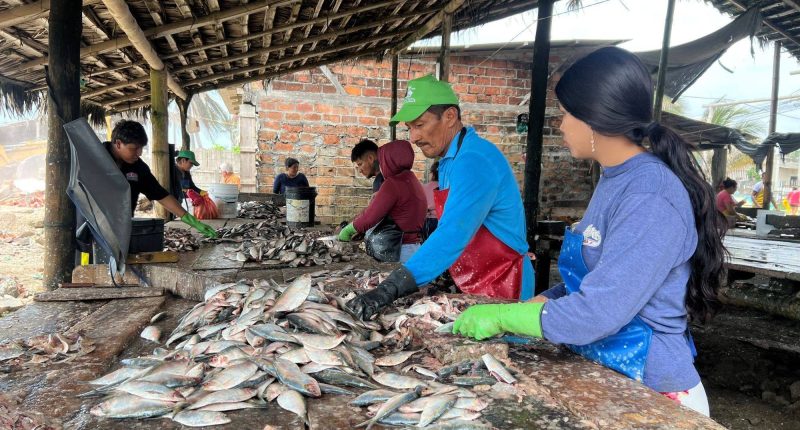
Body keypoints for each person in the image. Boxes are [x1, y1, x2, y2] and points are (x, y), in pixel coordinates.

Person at [450, 47, 725, 417]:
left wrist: (502, 317)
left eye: (565, 115)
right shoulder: (615, 178)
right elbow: (594, 280)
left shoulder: (649, 195)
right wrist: (535, 307)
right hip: (609, 372)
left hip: (654, 392)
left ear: (594, 118)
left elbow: (598, 312)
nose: (560, 126)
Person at [346, 74, 535, 319]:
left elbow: (452, 233)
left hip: (503, 285)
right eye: (409, 128)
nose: (412, 138)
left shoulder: (472, 160)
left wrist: (389, 289)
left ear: (449, 117)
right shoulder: (449, 161)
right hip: (477, 280)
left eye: (420, 125)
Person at [105, 120, 217, 238]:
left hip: (123, 229)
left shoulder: (138, 167)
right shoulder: (94, 158)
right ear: (118, 144)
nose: (139, 153)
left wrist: (193, 221)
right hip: (93, 230)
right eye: (135, 148)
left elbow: (160, 194)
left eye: (141, 148)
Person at [338, 140, 426, 263]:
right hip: (414, 247)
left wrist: (348, 230)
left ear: (387, 159)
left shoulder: (392, 183)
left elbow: (371, 216)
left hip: (398, 249)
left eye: (382, 158)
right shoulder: (411, 179)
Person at [421, 161, 440, 241]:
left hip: (427, 220)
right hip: (440, 220)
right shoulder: (445, 187)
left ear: (432, 173)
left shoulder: (423, 187)